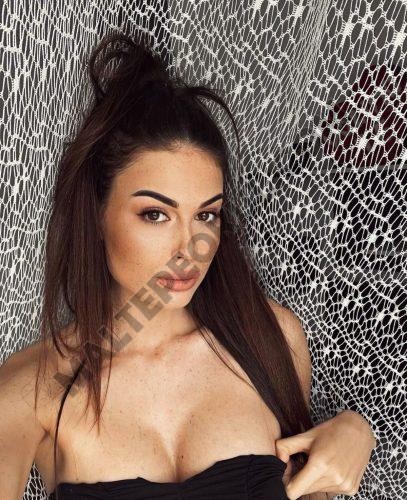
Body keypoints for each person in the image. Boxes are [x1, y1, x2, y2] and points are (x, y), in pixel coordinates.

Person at [0, 32, 376, 500]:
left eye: (206, 215)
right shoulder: (35, 387)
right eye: (155, 215)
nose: (188, 248)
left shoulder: (271, 338)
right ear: (96, 214)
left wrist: (353, 432)